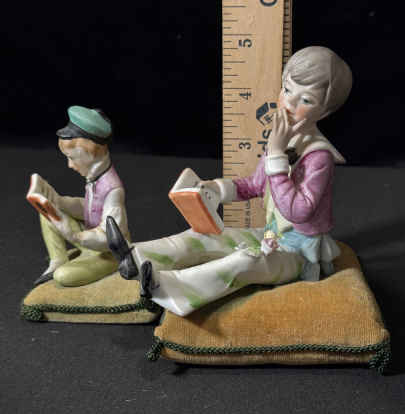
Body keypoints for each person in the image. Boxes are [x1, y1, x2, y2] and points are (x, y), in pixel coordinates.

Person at [106, 46, 352, 316]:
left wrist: (276, 155)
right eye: (287, 89)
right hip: (270, 235)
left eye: (306, 100)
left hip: (299, 253)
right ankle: (136, 257)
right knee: (206, 236)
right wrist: (217, 189)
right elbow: (255, 185)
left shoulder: (318, 157)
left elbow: (298, 211)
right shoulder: (282, 141)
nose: (290, 104)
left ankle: (167, 288)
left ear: (324, 112)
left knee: (244, 262)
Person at [34, 106, 129, 287]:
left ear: (93, 153)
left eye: (72, 158)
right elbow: (90, 207)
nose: (70, 165)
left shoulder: (113, 189)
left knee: (63, 276)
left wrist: (76, 236)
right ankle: (58, 259)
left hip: (108, 252)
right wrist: (60, 202)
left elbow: (110, 237)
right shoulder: (94, 177)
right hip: (89, 239)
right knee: (47, 212)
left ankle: (66, 268)